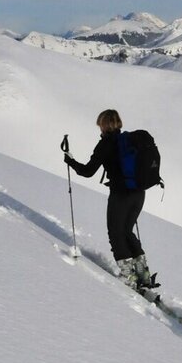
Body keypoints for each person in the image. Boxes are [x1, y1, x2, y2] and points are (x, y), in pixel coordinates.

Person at [64, 109, 156, 291]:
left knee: (115, 233)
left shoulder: (106, 144)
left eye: (100, 125)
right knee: (127, 231)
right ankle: (143, 274)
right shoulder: (129, 140)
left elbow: (88, 171)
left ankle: (128, 276)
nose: (99, 129)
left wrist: (70, 161)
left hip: (120, 194)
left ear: (104, 125)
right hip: (139, 192)